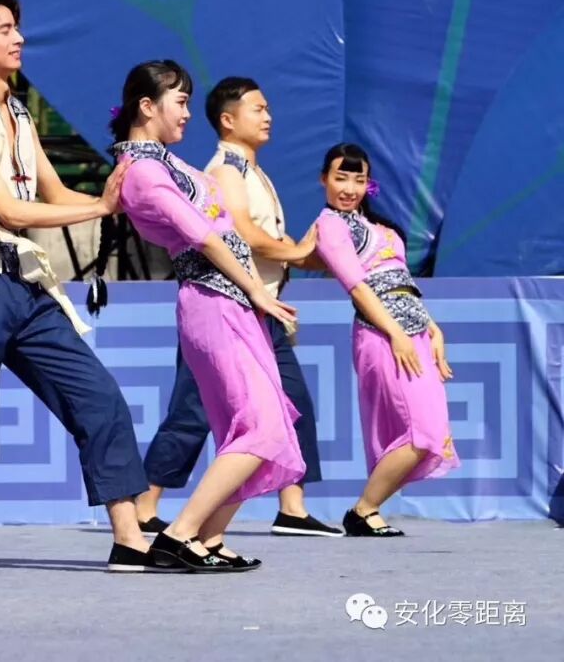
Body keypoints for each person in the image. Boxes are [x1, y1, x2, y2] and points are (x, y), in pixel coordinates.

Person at [0, 0, 159, 573]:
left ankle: (129, 539)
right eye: (4, 29)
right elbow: (8, 208)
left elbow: (56, 193)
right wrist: (100, 208)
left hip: (23, 278)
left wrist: (118, 194)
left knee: (99, 398)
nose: (18, 38)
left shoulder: (19, 113)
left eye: (17, 27)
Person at [100, 60, 304, 571]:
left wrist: (253, 293)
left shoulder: (166, 162)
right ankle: (179, 534)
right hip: (213, 302)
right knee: (260, 427)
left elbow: (218, 227)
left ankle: (209, 538)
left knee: (267, 425)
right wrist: (256, 289)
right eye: (181, 101)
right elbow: (205, 235)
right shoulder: (143, 172)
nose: (189, 112)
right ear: (147, 106)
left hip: (230, 301)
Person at [136, 76, 340, 538]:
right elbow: (243, 236)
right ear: (228, 120)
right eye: (257, 109)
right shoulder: (225, 171)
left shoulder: (251, 171)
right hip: (225, 305)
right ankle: (148, 507)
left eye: (268, 108)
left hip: (257, 309)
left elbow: (272, 239)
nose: (268, 116)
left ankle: (291, 507)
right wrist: (299, 253)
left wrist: (314, 256)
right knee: (193, 412)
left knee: (289, 405)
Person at [313, 142, 459, 536]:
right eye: (341, 178)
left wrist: (432, 327)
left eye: (358, 180)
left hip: (414, 331)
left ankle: (368, 509)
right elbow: (358, 287)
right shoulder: (330, 225)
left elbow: (403, 283)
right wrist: (396, 334)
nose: (349, 188)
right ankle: (363, 510)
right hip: (382, 334)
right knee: (420, 432)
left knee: (433, 432)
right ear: (324, 179)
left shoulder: (382, 228)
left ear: (368, 185)